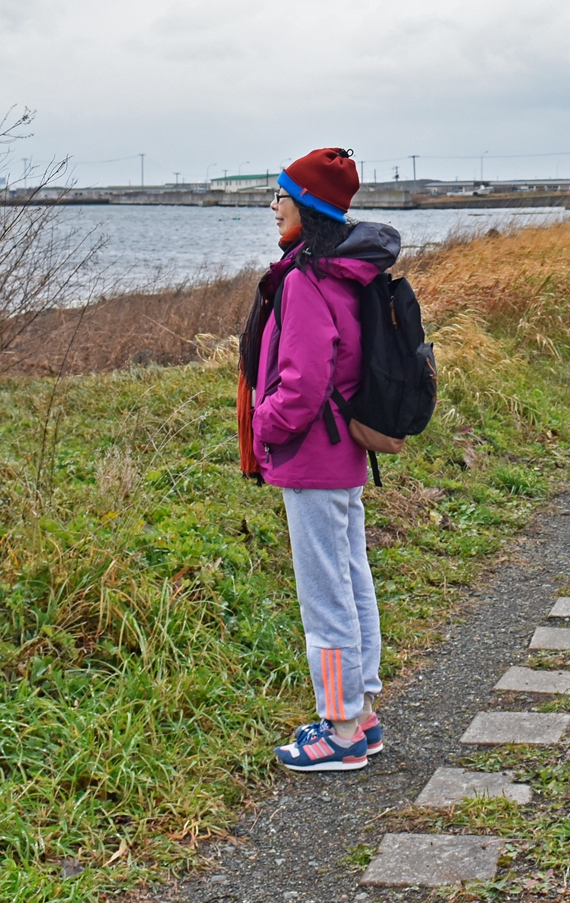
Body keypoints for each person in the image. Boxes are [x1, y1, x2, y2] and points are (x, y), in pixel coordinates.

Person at [237, 148, 400, 772]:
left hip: (312, 455)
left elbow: (302, 383)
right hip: (341, 454)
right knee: (352, 579)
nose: (273, 208)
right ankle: (360, 715)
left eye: (280, 197)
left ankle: (338, 731)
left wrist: (264, 426)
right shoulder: (343, 272)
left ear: (306, 206)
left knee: (326, 594)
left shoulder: (305, 281)